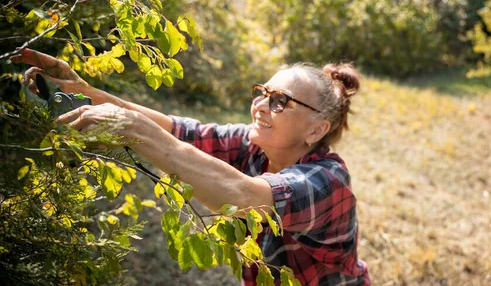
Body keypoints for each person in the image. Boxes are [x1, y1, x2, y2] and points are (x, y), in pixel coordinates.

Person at [10, 48, 370, 286]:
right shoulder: (255, 147)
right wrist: (86, 91)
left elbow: (243, 196)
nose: (260, 105)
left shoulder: (326, 183)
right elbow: (179, 130)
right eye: (263, 92)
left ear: (316, 130)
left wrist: (136, 131)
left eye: (280, 102)